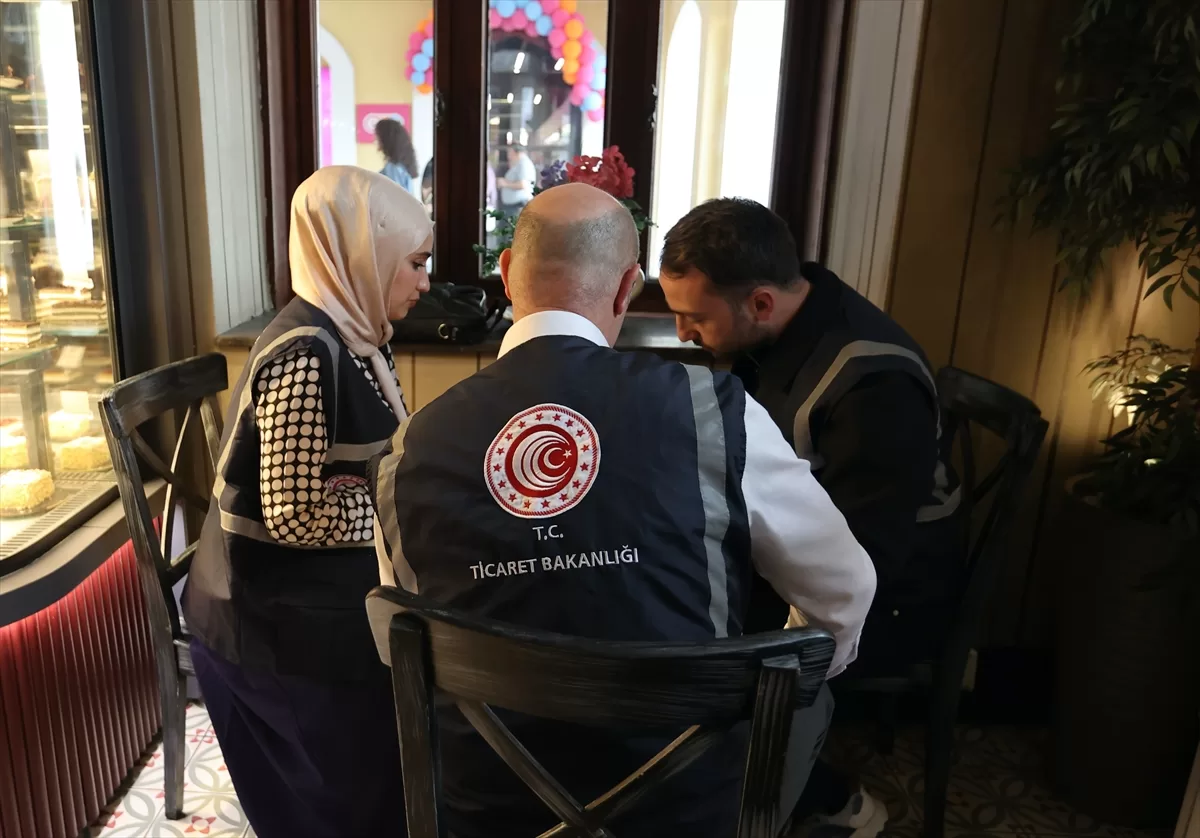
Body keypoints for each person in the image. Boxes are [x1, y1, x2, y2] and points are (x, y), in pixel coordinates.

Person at [372, 182, 877, 838]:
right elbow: (845, 589)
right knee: (805, 695)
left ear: (507, 275)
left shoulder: (407, 450)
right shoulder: (713, 411)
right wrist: (783, 681)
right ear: (626, 288)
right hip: (683, 813)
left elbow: (402, 642)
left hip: (486, 814)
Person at [658, 198, 964, 838]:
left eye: (695, 317)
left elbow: (863, 562)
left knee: (691, 637)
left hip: (892, 594)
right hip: (818, 557)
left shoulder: (874, 384)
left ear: (760, 302)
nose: (683, 333)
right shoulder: (772, 330)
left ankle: (826, 800)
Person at [182, 166, 433, 838]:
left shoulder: (354, 337)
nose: (425, 282)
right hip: (264, 621)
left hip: (308, 594)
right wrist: (396, 509)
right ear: (363, 254)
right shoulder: (305, 353)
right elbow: (294, 515)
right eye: (414, 263)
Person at [375, 117, 419, 194]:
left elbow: (396, 197)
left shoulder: (393, 169)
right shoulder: (400, 167)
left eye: (377, 137)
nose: (375, 140)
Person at [496, 144, 536, 218]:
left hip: (517, 206)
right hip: (513, 206)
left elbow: (523, 185)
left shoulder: (524, 164)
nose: (508, 155)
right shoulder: (519, 164)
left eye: (509, 152)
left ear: (516, 152)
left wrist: (504, 184)